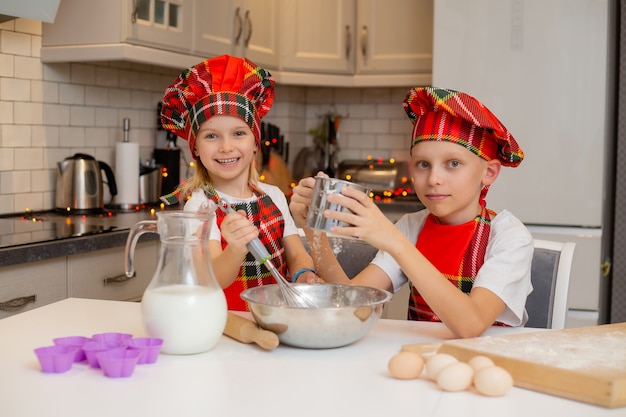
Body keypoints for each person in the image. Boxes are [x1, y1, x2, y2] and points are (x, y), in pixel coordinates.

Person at [290, 87, 534, 338]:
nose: (434, 179)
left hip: (489, 363)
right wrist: (314, 233)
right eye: (423, 164)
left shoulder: (509, 237)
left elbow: (471, 324)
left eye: (453, 164)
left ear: (489, 172)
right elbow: (350, 303)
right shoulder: (412, 226)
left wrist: (395, 242)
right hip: (424, 359)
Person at [159, 54, 318, 311]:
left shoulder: (274, 196)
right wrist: (234, 249)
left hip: (276, 317)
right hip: (227, 324)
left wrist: (303, 274)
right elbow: (213, 278)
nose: (226, 147)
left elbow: (296, 253)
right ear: (196, 148)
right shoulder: (200, 208)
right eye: (211, 136)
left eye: (239, 133)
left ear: (255, 143)